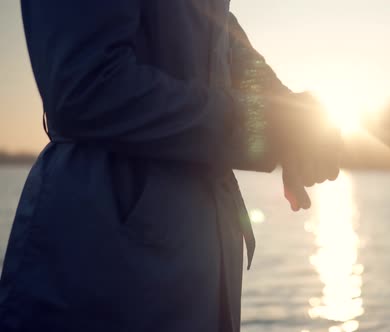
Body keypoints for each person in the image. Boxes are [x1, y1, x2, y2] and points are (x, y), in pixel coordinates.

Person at [0, 1, 341, 331]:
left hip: (202, 261)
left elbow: (218, 32)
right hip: (102, 262)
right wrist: (272, 124)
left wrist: (291, 118)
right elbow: (86, 86)